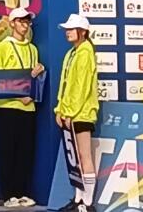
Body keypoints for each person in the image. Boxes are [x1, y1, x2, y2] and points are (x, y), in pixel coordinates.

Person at [0, 8, 44, 208]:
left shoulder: (32, 49)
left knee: (25, 152)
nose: (24, 25)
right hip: (7, 106)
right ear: (12, 23)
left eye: (27, 21)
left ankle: (22, 193)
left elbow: (33, 79)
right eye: (21, 21)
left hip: (28, 107)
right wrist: (18, 95)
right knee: (8, 151)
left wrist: (38, 73)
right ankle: (9, 195)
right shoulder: (2, 47)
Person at [55, 14, 99, 212]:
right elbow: (65, 84)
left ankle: (87, 203)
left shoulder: (86, 52)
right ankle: (78, 199)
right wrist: (60, 109)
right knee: (75, 159)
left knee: (84, 155)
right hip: (69, 113)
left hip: (82, 113)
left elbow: (81, 86)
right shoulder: (71, 52)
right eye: (67, 29)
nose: (67, 32)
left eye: (71, 29)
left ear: (82, 32)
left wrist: (70, 111)